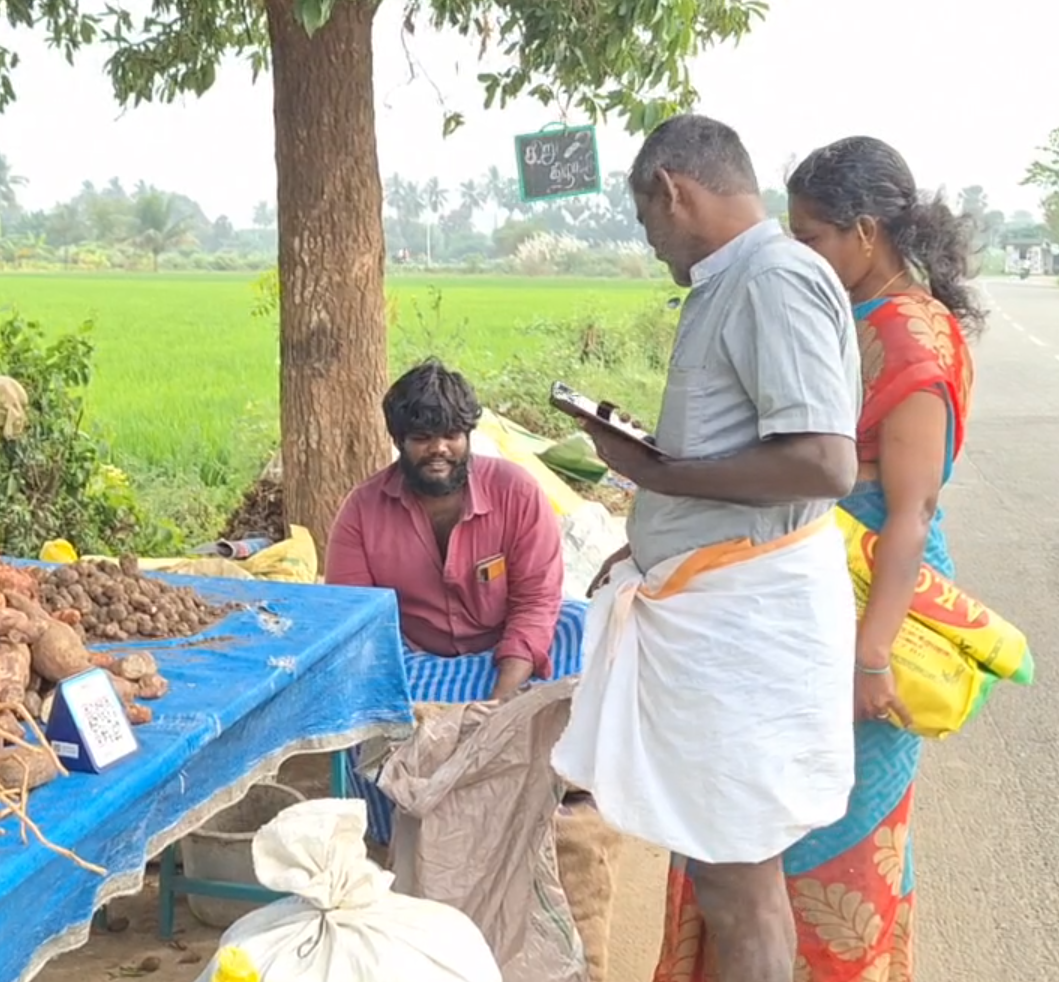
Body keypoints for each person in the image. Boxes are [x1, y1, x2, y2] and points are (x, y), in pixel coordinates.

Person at [649, 136, 983, 982]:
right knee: (757, 826)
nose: (799, 253)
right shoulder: (848, 314)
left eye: (812, 237)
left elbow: (908, 514)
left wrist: (871, 658)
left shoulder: (912, 339)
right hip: (807, 595)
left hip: (875, 604)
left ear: (866, 233)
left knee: (833, 840)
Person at [549, 115, 861, 982]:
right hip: (717, 606)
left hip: (747, 622)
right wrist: (649, 527)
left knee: (740, 881)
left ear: (673, 191)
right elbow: (741, 453)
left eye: (649, 225)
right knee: (728, 875)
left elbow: (825, 461)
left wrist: (662, 474)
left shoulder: (772, 277)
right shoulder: (734, 282)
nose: (653, 246)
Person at [325, 359, 586, 845]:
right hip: (416, 667)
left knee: (583, 628)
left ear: (469, 435)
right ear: (399, 441)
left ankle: (550, 795)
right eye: (422, 438)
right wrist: (432, 713)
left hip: (505, 659)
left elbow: (535, 602)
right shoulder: (361, 511)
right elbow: (355, 628)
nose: (439, 449)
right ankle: (395, 837)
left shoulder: (518, 491)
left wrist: (498, 707)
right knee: (352, 698)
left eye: (451, 434)